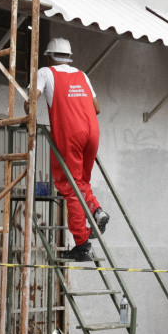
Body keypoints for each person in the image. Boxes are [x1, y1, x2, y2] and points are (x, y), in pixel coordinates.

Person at [38, 37, 108, 262]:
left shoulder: (45, 72)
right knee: (81, 182)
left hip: (71, 134)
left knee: (69, 187)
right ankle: (96, 210)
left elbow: (32, 99)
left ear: (49, 56)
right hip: (92, 133)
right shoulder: (82, 75)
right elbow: (96, 108)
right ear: (69, 58)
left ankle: (81, 243)